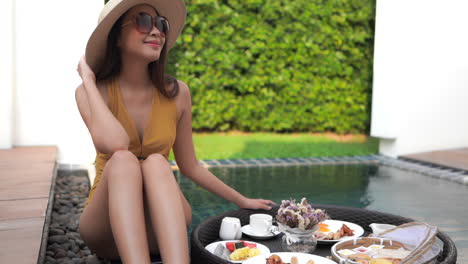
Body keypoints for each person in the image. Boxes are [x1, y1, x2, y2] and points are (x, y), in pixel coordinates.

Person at [75, 0, 276, 263]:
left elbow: (190, 166)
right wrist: (88, 82)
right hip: (108, 229)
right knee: (123, 160)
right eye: (144, 21)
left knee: (158, 162)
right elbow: (116, 144)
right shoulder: (92, 93)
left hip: (163, 227)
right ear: (116, 36)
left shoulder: (177, 93)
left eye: (161, 24)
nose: (157, 31)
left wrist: (241, 199)